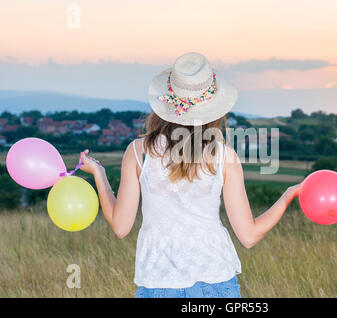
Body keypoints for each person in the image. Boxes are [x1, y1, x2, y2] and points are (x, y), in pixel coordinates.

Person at [79, 52, 301, 298]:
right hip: (217, 283)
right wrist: (287, 196)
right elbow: (248, 237)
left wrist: (99, 173)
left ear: (165, 103)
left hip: (158, 284)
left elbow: (120, 227)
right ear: (214, 109)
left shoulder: (138, 153)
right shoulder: (225, 157)